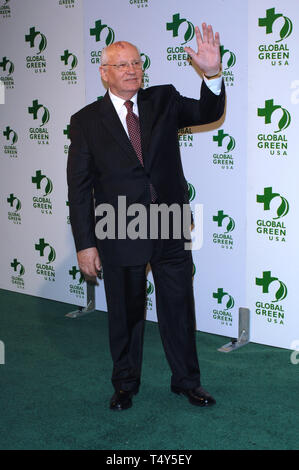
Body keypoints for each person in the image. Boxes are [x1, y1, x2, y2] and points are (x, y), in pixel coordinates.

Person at [67, 23, 225, 410]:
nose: (132, 70)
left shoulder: (163, 99)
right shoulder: (86, 120)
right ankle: (125, 384)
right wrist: (86, 243)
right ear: (104, 72)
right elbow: (79, 187)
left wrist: (212, 73)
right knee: (125, 313)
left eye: (136, 62)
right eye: (121, 65)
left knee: (178, 307)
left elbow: (208, 110)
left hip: (169, 220)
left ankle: (187, 381)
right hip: (118, 225)